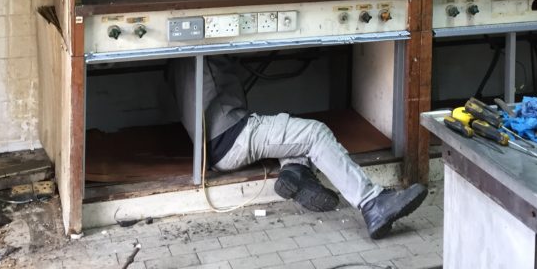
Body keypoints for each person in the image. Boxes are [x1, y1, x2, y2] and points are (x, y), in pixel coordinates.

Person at [168, 54, 427, 239]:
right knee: (315, 133)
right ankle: (372, 203)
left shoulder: (177, 55)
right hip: (234, 136)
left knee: (291, 127)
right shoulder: (210, 36)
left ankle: (295, 171)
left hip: (212, 147)